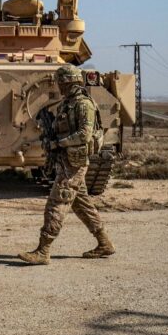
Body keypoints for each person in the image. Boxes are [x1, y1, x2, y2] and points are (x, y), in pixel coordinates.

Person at [18, 65, 114, 265]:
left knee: (58, 200)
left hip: (75, 161)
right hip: (66, 159)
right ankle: (104, 243)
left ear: (69, 82)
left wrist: (58, 143)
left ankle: (43, 250)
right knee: (82, 204)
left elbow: (84, 135)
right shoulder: (66, 104)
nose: (59, 86)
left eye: (61, 82)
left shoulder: (83, 104)